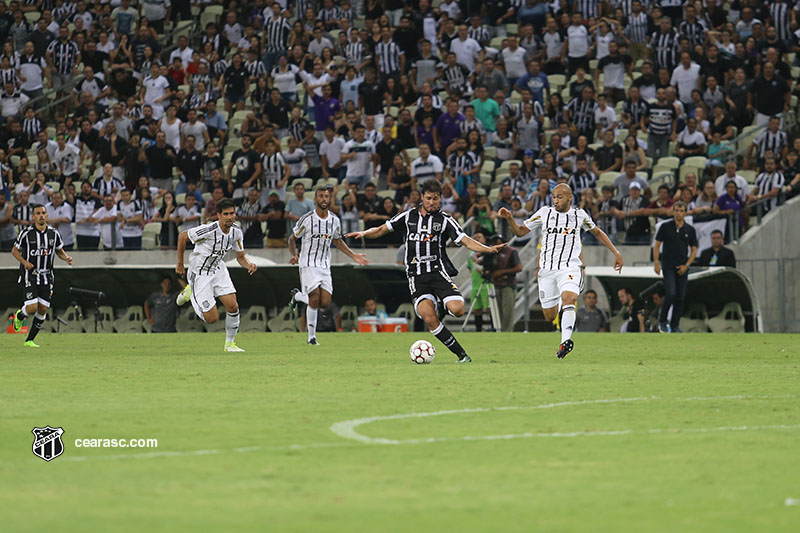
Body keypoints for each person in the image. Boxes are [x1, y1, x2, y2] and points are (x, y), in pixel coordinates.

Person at [347, 180, 506, 363]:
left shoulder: (445, 220)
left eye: (436, 199)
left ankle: (442, 305)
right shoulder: (407, 216)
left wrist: (488, 249)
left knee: (459, 309)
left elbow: (465, 240)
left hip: (437, 273)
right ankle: (462, 355)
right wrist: (364, 233)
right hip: (417, 277)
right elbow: (383, 229)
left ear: (440, 199)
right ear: (422, 197)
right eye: (429, 198)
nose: (432, 202)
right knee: (429, 318)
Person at [499, 183, 624, 358]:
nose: (556, 200)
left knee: (569, 298)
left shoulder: (579, 215)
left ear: (569, 197)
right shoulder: (544, 213)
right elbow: (520, 232)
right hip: (547, 270)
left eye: (560, 196)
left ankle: (565, 342)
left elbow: (597, 232)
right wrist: (510, 219)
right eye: (554, 197)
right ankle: (563, 309)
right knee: (549, 315)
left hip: (570, 267)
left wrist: (616, 253)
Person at [175, 198, 257, 352]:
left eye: (232, 213)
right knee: (212, 319)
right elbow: (182, 237)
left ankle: (230, 344)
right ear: (219, 215)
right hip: (200, 271)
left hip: (218, 268)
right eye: (226, 214)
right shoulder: (208, 230)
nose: (229, 217)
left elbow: (240, 257)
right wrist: (180, 264)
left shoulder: (236, 233)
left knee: (233, 306)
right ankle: (191, 291)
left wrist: (248, 265)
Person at [288, 187, 369, 345]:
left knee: (324, 303)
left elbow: (337, 240)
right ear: (315, 199)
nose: (324, 199)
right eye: (321, 196)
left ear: (330, 199)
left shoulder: (334, 220)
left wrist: (354, 255)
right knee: (315, 297)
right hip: (307, 262)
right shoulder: (307, 219)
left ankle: (297, 296)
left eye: (327, 196)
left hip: (324, 264)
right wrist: (294, 255)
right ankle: (312, 337)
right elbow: (292, 238)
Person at [11, 203, 73, 347]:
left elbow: (59, 250)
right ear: (33, 217)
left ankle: (29, 340)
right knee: (32, 307)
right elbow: (15, 250)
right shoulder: (26, 233)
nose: (40, 216)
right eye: (37, 213)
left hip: (47, 276)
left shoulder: (53, 233)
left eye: (43, 213)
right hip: (30, 274)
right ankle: (20, 316)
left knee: (43, 309)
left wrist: (66, 258)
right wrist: (24, 262)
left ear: (47, 216)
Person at [653, 201, 698, 333]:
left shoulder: (689, 230)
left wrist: (687, 265)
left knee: (680, 297)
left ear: (685, 213)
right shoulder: (665, 227)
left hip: (682, 267)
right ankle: (662, 320)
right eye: (676, 210)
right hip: (668, 266)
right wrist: (656, 261)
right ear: (673, 212)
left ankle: (675, 325)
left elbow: (694, 249)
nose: (679, 213)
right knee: (671, 293)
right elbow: (657, 245)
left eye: (681, 210)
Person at [488, 235, 522, 332]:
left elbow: (519, 267)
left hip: (508, 284)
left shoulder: (511, 251)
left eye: (498, 242)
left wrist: (501, 272)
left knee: (508, 312)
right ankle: (498, 330)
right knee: (497, 311)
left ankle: (507, 332)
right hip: (496, 284)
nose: (496, 244)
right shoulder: (493, 252)